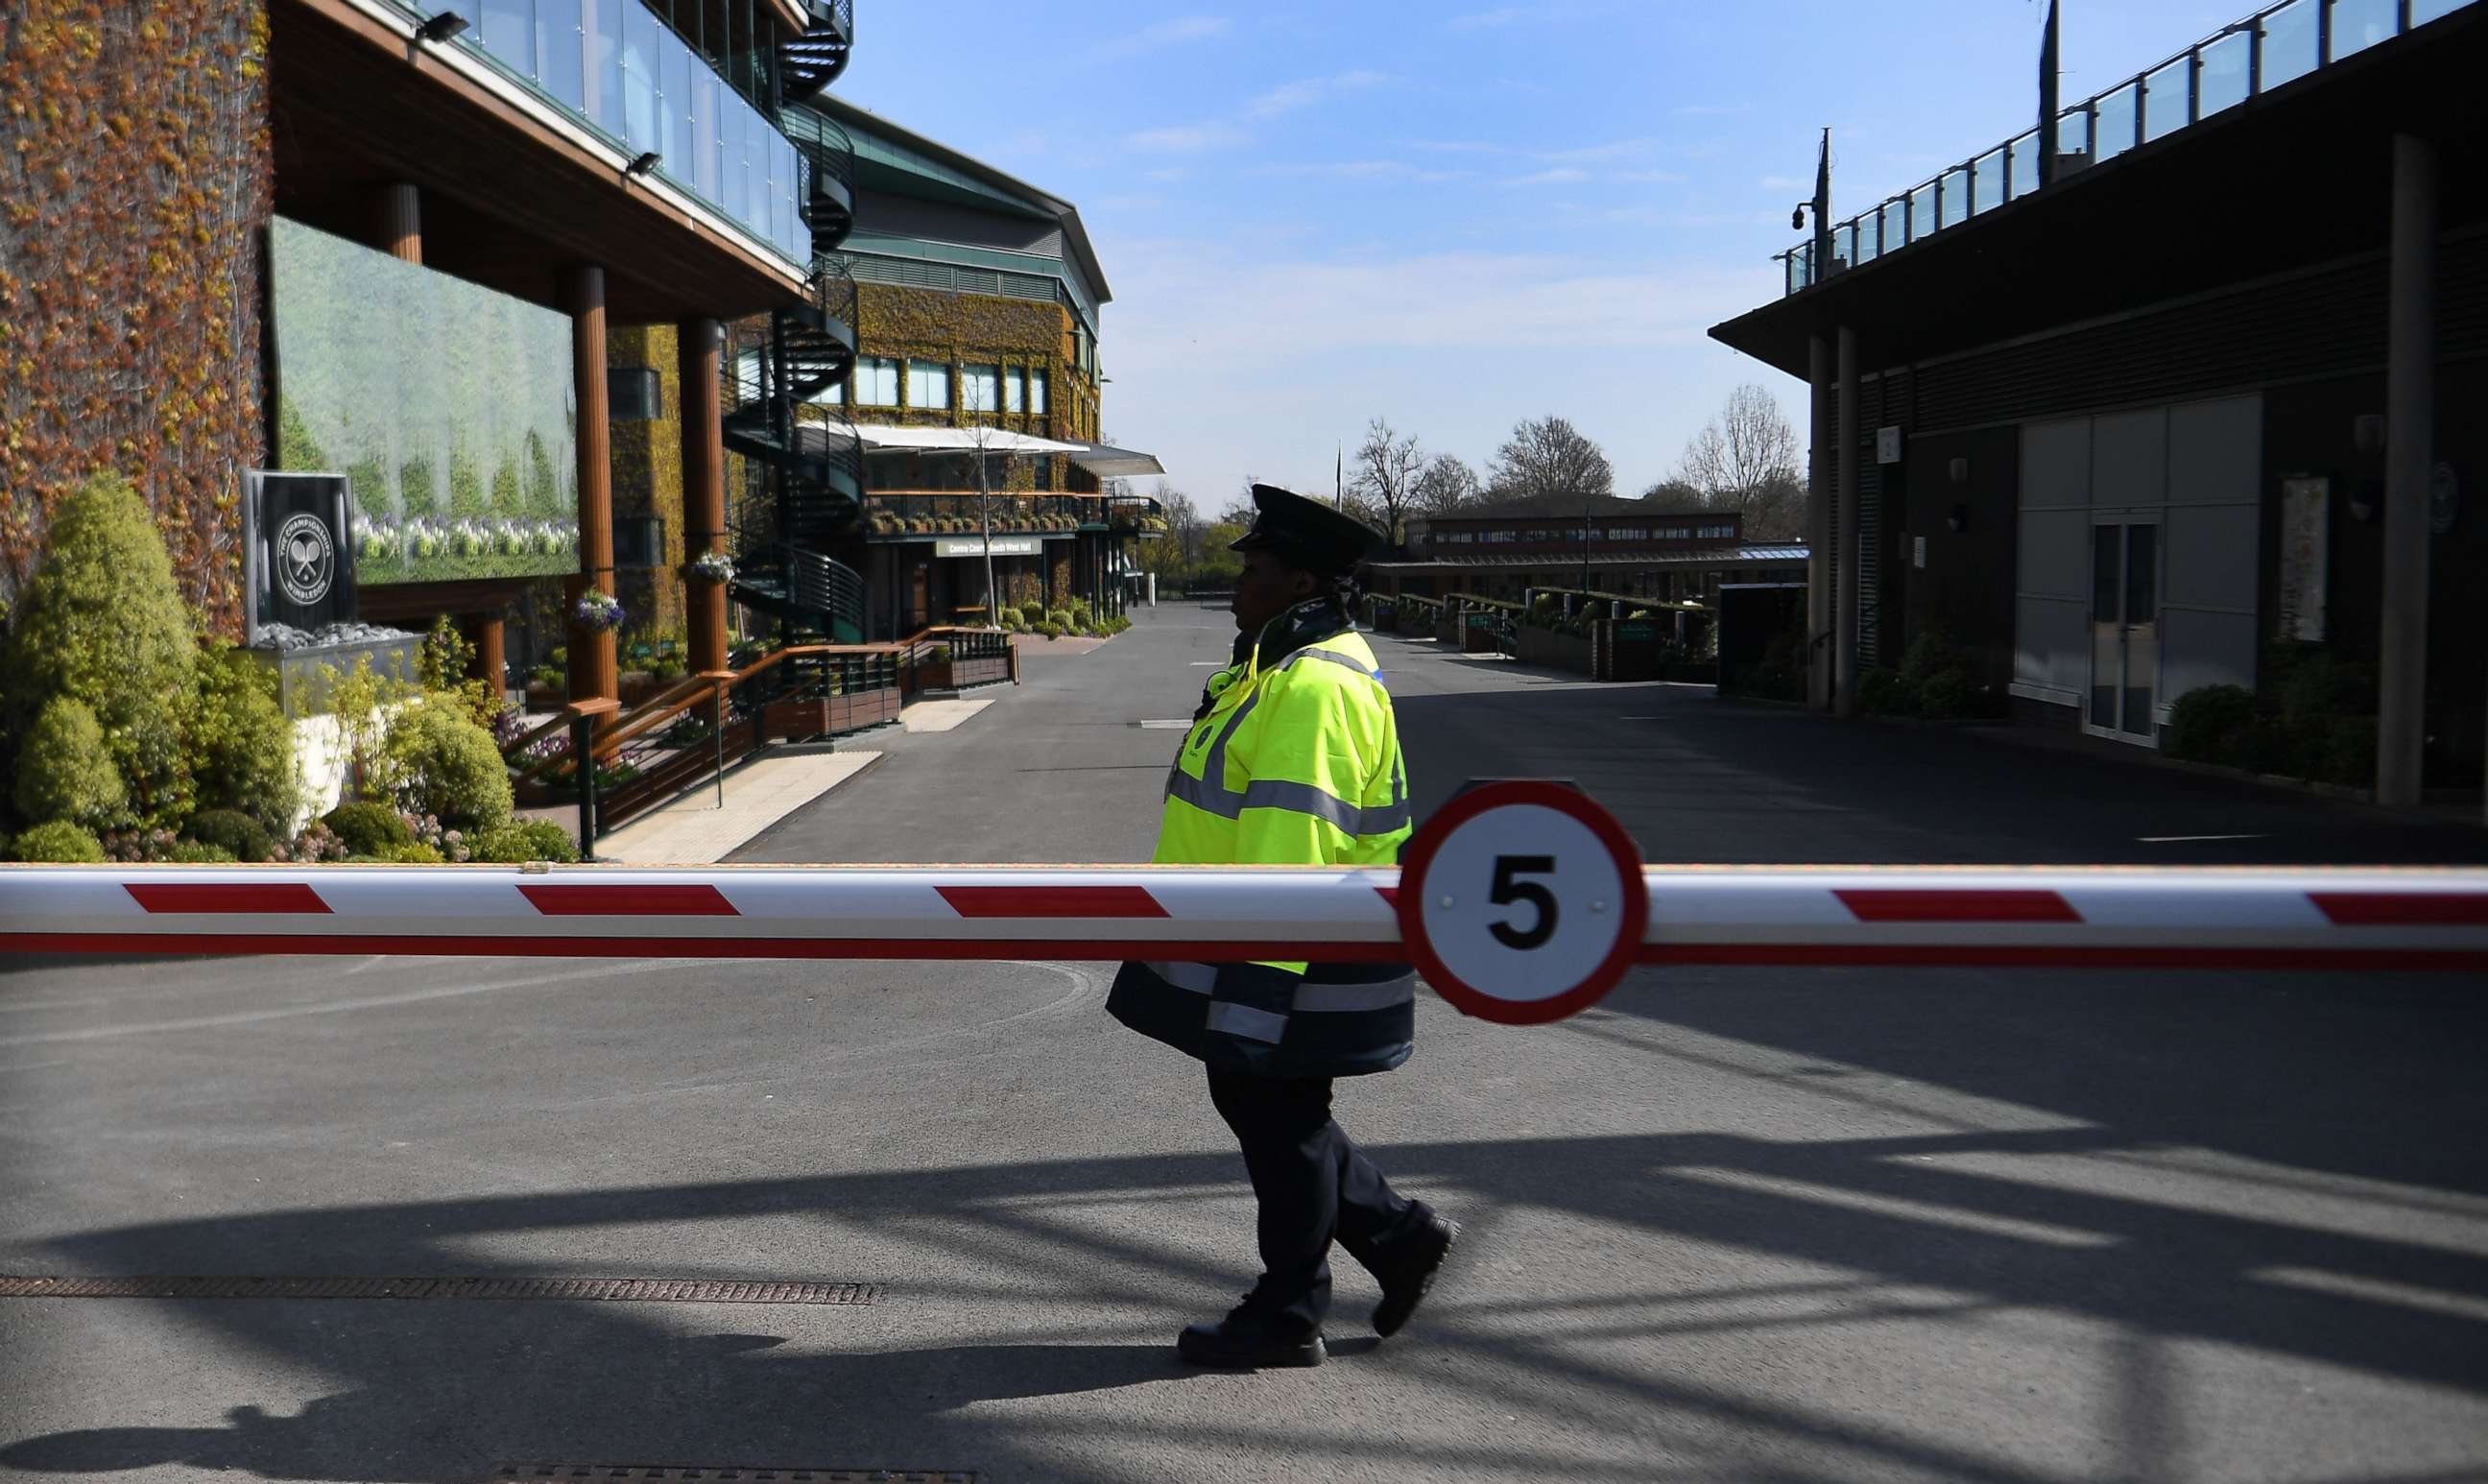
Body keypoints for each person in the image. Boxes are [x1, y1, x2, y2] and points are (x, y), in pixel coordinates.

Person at [1108, 484, 1458, 1369]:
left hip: (1293, 944)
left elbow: (1294, 845)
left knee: (1278, 1111)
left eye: (1254, 570)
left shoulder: (1311, 687)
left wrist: (1260, 987)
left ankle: (1291, 1310)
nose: (1236, 586)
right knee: (1271, 1106)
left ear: (1301, 582)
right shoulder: (1276, 664)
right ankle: (1394, 1236)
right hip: (1261, 933)